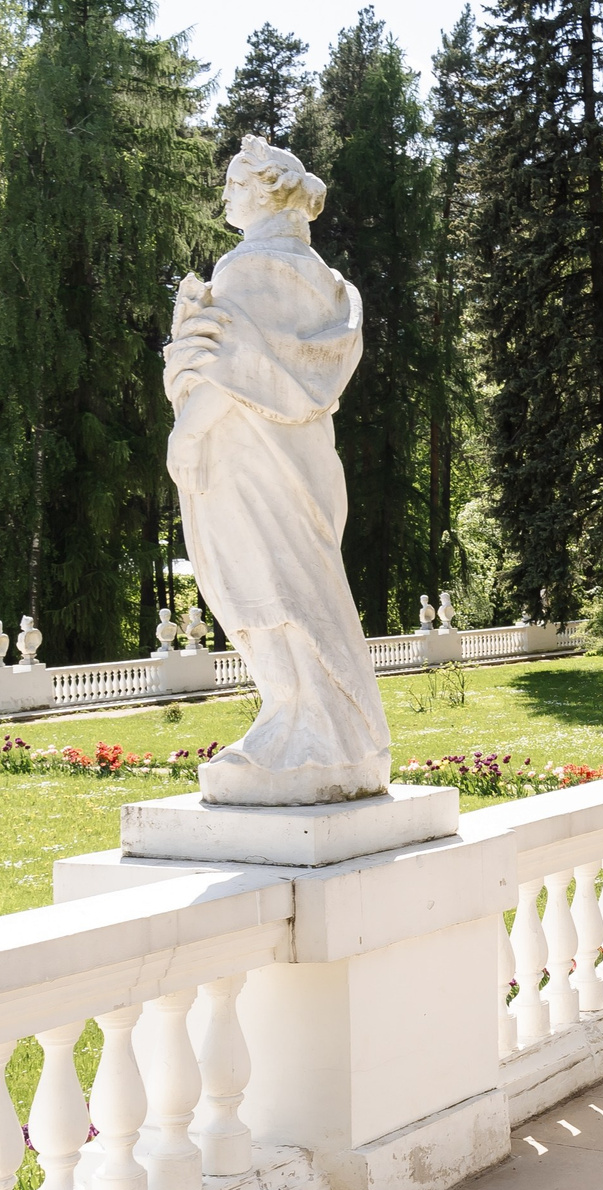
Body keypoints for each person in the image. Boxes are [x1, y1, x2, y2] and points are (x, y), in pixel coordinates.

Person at [162, 134, 392, 806]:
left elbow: (231, 367)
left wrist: (187, 429)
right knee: (293, 589)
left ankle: (318, 725)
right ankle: (301, 719)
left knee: (273, 589)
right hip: (299, 456)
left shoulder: (249, 270)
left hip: (253, 454)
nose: (225, 194)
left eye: (235, 183)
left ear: (265, 190)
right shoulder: (321, 278)